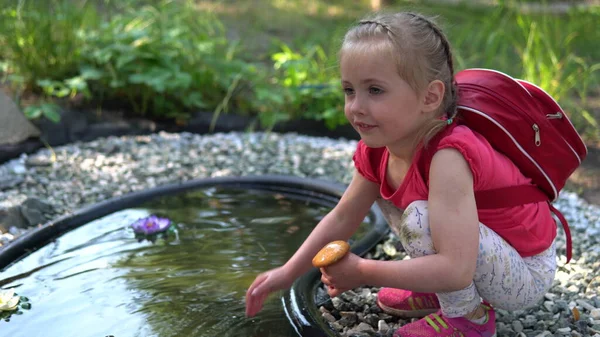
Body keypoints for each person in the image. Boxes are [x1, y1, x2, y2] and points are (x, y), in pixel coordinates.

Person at [245, 11, 558, 337]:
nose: (356, 107)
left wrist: (363, 271)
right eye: (349, 90)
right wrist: (287, 273)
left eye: (375, 91)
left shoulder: (449, 155)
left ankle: (470, 321)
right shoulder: (381, 147)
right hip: (473, 252)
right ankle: (438, 291)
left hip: (523, 271)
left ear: (430, 97)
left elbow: (457, 268)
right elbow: (342, 218)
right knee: (400, 203)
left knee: (420, 219)